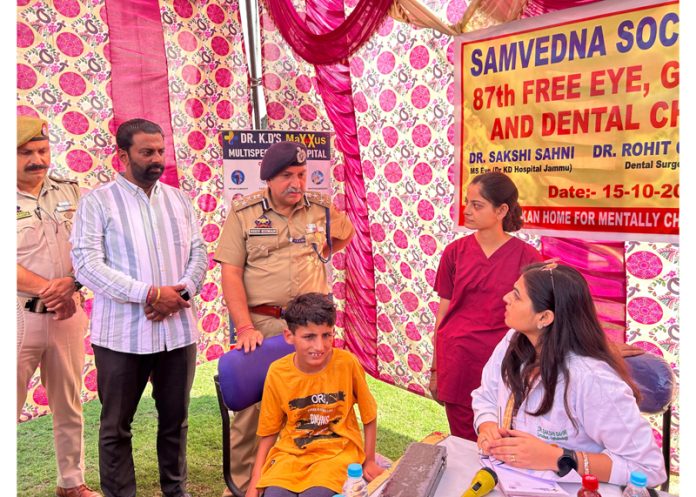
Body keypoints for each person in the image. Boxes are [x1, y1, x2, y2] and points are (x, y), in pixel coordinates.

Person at [71, 118, 207, 497]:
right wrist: (149, 294)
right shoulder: (97, 202)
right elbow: (86, 264)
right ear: (122, 155)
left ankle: (175, 491)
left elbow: (199, 252)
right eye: (147, 152)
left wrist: (180, 293)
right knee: (116, 426)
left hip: (177, 331)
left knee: (176, 420)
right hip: (121, 336)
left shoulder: (179, 199)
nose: (157, 159)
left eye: (161, 151)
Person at [214, 140, 355, 493]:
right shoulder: (245, 213)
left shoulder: (320, 208)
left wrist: (325, 250)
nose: (297, 183)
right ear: (269, 180)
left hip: (311, 327)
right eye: (288, 176)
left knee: (314, 402)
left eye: (302, 175)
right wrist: (244, 326)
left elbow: (345, 233)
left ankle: (305, 474)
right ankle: (247, 484)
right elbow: (230, 272)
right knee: (254, 409)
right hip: (262, 325)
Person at [472, 262, 667, 487]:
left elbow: (650, 470)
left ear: (544, 318)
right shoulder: (513, 342)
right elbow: (486, 395)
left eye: (517, 295)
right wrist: (487, 426)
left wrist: (558, 458)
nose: (506, 298)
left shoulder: (592, 379)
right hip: (510, 480)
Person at [16, 116, 102, 497]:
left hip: (68, 314)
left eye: (43, 151)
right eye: (26, 152)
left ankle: (72, 483)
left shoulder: (72, 191)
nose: (37, 159)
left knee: (69, 402)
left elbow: (93, 246)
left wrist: (72, 286)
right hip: (18, 316)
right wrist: (52, 290)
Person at [430, 171, 543, 441]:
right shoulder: (454, 252)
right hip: (458, 360)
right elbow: (443, 314)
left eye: (476, 205)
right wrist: (436, 369)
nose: (467, 211)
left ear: (502, 210)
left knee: (503, 442)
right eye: (467, 203)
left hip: (507, 363)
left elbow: (543, 314)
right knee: (464, 442)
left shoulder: (528, 257)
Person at [246, 293, 383, 497]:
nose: (320, 347)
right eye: (309, 337)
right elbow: (268, 432)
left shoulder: (347, 364)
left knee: (317, 494)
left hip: (337, 454)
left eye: (326, 335)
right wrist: (255, 479)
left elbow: (369, 415)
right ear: (289, 336)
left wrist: (369, 460)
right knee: (275, 494)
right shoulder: (278, 372)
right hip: (290, 455)